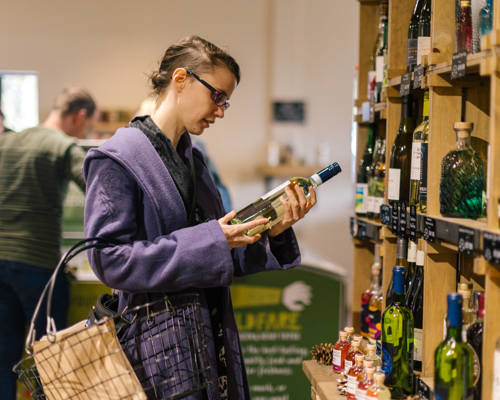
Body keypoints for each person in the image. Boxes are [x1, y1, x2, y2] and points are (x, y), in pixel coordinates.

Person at [83, 35, 315, 400]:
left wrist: (276, 226)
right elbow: (109, 260)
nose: (220, 110)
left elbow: (221, 253)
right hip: (155, 350)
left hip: (209, 340)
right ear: (181, 80)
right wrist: (211, 241)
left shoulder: (193, 162)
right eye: (217, 96)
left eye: (226, 101)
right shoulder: (115, 158)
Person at [0, 87, 97, 400]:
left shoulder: (8, 141)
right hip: (36, 263)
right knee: (49, 357)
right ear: (80, 116)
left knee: (3, 355)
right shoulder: (63, 145)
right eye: (88, 125)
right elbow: (95, 188)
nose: (86, 132)